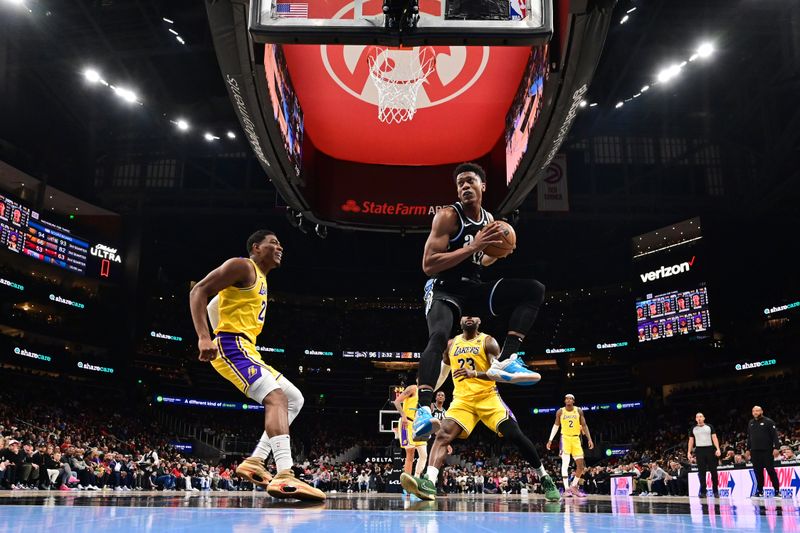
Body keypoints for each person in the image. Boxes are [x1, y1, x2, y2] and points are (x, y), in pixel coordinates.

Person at [413, 163, 547, 441]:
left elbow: (480, 262)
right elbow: (428, 264)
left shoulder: (489, 222)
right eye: (460, 183)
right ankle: (423, 409)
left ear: (482, 186)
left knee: (533, 289)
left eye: (470, 181)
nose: (464, 186)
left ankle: (507, 359)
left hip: (471, 288)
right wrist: (474, 246)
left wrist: (497, 253)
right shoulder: (448, 216)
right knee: (438, 336)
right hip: (443, 288)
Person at [189, 229, 324, 501]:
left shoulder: (260, 279)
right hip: (233, 346)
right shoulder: (242, 265)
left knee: (293, 399)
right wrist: (206, 336)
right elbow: (199, 291)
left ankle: (256, 460)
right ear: (255, 247)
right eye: (273, 242)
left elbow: (216, 306)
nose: (279, 247)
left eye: (280, 242)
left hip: (248, 349)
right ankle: (286, 474)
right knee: (275, 397)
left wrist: (215, 327)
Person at [400, 316, 560, 502]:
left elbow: (497, 374)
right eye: (465, 315)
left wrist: (475, 373)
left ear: (479, 321)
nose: (469, 318)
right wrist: (425, 395)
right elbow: (441, 376)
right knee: (443, 435)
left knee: (515, 435)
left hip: (488, 397)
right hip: (462, 401)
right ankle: (429, 482)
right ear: (459, 321)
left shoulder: (488, 342)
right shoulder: (451, 344)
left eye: (473, 316)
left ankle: (545, 477)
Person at [547, 394, 594, 497]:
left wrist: (589, 439)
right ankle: (567, 489)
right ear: (564, 401)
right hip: (565, 439)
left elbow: (584, 425)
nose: (568, 400)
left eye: (570, 398)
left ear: (573, 401)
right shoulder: (560, 411)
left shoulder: (578, 411)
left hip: (576, 439)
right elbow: (556, 426)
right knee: (565, 463)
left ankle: (573, 486)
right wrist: (550, 440)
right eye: (566, 398)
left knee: (581, 466)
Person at [393, 384, 429, 479]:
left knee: (424, 454)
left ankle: (416, 478)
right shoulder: (413, 388)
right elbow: (397, 402)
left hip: (419, 426)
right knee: (410, 453)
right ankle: (407, 481)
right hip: (406, 423)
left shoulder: (426, 392)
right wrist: (403, 415)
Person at [747, 405, 781, 498]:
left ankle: (777, 491)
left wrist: (776, 447)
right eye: (753, 411)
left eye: (757, 410)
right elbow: (749, 437)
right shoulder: (751, 423)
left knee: (770, 470)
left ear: (761, 411)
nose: (755, 412)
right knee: (758, 472)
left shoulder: (768, 421)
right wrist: (747, 449)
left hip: (767, 450)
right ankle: (760, 491)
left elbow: (775, 436)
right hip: (755, 451)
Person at [688, 412, 721, 497]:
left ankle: (715, 491)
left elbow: (714, 437)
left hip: (710, 449)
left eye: (700, 416)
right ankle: (703, 491)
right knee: (701, 472)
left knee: (713, 471)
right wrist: (689, 452)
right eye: (697, 417)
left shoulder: (709, 426)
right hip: (699, 450)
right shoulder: (693, 428)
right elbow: (691, 441)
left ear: (704, 418)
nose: (699, 418)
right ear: (696, 419)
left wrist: (718, 448)